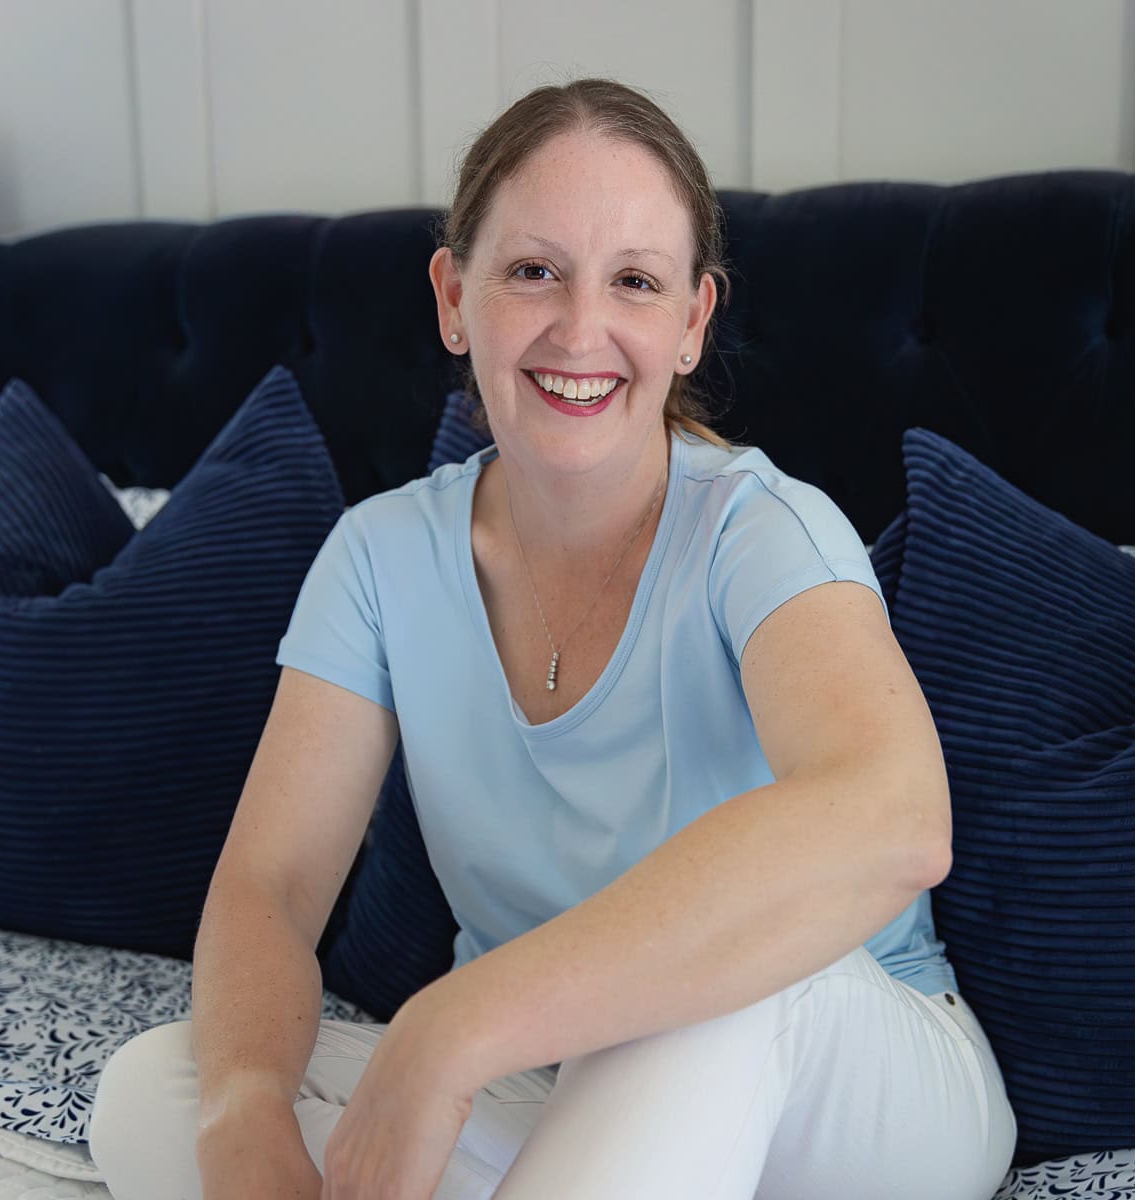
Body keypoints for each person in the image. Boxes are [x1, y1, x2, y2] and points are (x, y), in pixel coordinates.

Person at [89, 77, 1016, 1200]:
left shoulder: (758, 528)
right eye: (534, 271)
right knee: (161, 1088)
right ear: (453, 297)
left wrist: (451, 1028)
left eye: (634, 282)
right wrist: (245, 1110)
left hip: (851, 1084)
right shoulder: (381, 556)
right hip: (564, 1090)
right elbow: (272, 887)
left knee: (708, 994)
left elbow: (896, 819)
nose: (582, 330)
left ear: (689, 325)